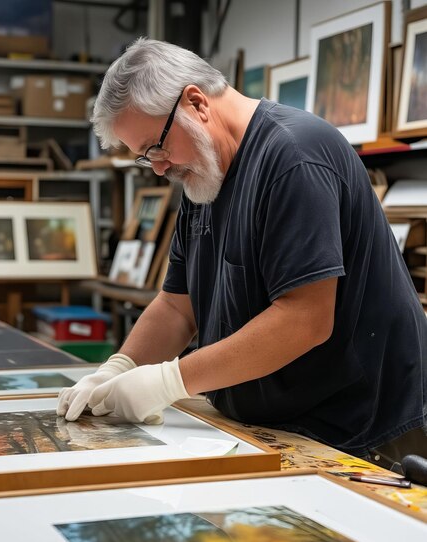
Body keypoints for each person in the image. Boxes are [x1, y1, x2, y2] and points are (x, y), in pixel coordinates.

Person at [57, 38, 427, 469]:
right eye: (144, 157)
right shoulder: (204, 174)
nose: (158, 167)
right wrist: (117, 368)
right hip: (284, 427)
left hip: (361, 433)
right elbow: (178, 307)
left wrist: (168, 380)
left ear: (195, 102)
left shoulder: (294, 156)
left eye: (155, 147)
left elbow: (303, 320)